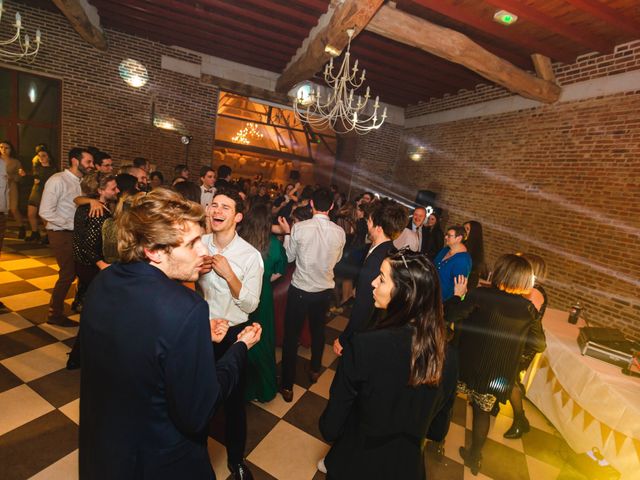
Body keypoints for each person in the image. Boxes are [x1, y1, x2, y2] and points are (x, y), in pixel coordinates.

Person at [79, 188, 262, 479]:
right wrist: (239, 348)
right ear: (154, 250)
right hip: (158, 460)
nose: (203, 252)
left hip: (105, 450)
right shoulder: (186, 308)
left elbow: (141, 349)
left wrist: (195, 336)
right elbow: (199, 412)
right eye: (192, 244)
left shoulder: (105, 280)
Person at [319, 250, 458, 479]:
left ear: (405, 293)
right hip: (407, 468)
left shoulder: (364, 346)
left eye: (382, 278)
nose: (373, 283)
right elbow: (437, 430)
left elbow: (330, 427)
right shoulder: (449, 357)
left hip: (355, 464)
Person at [446, 254, 545, 475]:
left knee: (447, 401)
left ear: (500, 272)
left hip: (466, 363)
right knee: (482, 413)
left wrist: (458, 296)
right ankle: (474, 458)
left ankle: (435, 438)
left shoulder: (480, 295)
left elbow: (450, 315)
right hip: (497, 375)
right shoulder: (529, 309)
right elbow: (539, 344)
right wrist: (513, 356)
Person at [198, 188, 263, 480]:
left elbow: (251, 303)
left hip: (233, 333)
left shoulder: (250, 256)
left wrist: (229, 274)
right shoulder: (197, 244)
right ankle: (194, 456)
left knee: (234, 403)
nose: (217, 210)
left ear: (237, 216)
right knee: (196, 396)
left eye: (225, 206)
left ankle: (236, 461)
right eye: (214, 205)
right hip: (199, 328)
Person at [277, 188, 345, 402]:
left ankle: (287, 385)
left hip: (300, 289)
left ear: (312, 204)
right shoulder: (339, 232)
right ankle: (315, 369)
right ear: (332, 206)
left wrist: (287, 234)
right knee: (318, 331)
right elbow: (337, 260)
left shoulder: (300, 228)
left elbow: (289, 257)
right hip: (323, 290)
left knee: (291, 336)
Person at [334, 198, 407, 355]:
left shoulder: (376, 260)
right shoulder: (391, 250)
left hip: (365, 332)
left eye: (369, 220)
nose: (367, 224)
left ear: (378, 228)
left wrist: (344, 338)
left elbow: (362, 307)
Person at [67, 172, 119, 369]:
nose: (117, 191)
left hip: (82, 266)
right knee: (97, 314)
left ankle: (79, 356)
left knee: (93, 312)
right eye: (113, 188)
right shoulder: (98, 213)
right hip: (92, 269)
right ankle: (78, 357)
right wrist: (102, 265)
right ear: (100, 191)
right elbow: (90, 246)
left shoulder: (84, 206)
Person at [39, 148, 94, 326]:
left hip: (74, 233)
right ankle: (54, 314)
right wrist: (72, 225)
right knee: (68, 274)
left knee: (78, 271)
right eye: (88, 162)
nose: (92, 165)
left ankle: (75, 304)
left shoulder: (81, 181)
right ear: (75, 161)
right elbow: (45, 211)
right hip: (60, 233)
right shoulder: (57, 180)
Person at [239, 203, 287, 402]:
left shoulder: (239, 240)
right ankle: (264, 389)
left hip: (240, 293)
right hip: (263, 294)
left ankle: (243, 389)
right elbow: (279, 270)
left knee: (242, 337)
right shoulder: (274, 244)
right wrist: (264, 279)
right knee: (263, 339)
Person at [504, 252, 548, 439]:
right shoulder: (527, 288)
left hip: (524, 345)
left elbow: (526, 320)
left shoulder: (535, 292)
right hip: (518, 340)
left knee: (510, 381)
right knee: (508, 378)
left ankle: (520, 420)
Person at [26, 145, 58, 243]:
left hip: (46, 193)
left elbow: (53, 183)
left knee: (44, 216)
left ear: (49, 157)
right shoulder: (36, 167)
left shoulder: (54, 169)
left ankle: (49, 236)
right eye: (39, 156)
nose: (41, 158)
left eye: (43, 155)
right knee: (31, 214)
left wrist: (40, 181)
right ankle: (35, 233)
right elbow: (32, 176)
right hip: (35, 192)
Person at [434, 225, 472, 301]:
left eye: (449, 236)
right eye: (446, 235)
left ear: (459, 238)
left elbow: (459, 288)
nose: (445, 237)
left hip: (443, 302)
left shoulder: (463, 260)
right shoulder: (445, 250)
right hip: (430, 295)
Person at [0, 140, 25, 238]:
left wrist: (12, 177)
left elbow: (20, 177)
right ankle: (2, 229)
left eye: (6, 148)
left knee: (13, 208)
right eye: (1, 147)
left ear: (11, 149)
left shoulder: (15, 162)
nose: (3, 150)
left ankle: (21, 227)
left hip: (11, 186)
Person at [464, 220, 488, 288]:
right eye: (464, 228)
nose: (464, 231)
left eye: (467, 229)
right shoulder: (461, 244)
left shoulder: (474, 250)